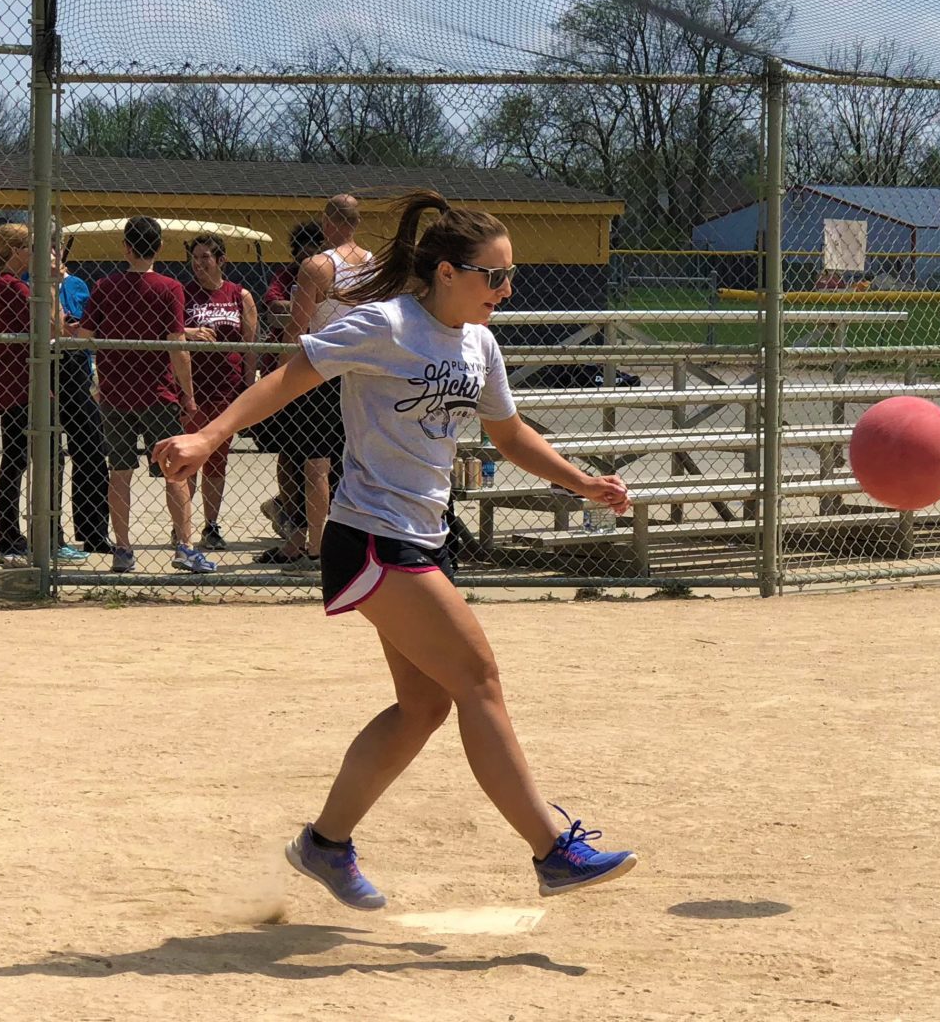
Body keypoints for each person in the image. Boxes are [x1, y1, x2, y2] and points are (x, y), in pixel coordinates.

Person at [155, 191, 637, 904]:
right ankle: (550, 849)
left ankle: (324, 844)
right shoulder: (385, 325)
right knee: (478, 678)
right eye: (493, 276)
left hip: (424, 538)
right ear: (446, 272)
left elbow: (509, 436)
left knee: (424, 708)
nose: (506, 290)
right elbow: (286, 380)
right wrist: (206, 436)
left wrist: (580, 482)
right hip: (372, 537)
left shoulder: (479, 342)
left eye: (510, 276)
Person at [72, 216, 216, 574]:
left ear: (126, 247)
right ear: (159, 247)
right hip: (158, 393)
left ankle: (123, 548)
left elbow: (85, 336)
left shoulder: (105, 286)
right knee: (175, 473)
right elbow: (177, 346)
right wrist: (189, 394)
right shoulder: (169, 288)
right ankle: (184, 546)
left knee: (119, 473)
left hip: (115, 394)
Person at [262, 196, 370, 569]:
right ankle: (324, 541)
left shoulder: (316, 266)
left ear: (328, 222)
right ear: (356, 222)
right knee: (352, 459)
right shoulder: (375, 265)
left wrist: (277, 376)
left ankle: (317, 545)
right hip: (363, 371)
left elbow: (297, 326)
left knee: (315, 464)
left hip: (322, 368)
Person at [24, 237, 110, 559]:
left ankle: (94, 531)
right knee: (50, 454)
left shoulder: (75, 285)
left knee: (91, 448)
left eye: (54, 246)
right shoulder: (28, 283)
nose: (51, 252)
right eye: (42, 246)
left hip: (74, 365)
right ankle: (50, 535)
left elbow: (85, 329)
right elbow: (50, 327)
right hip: (44, 367)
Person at [0, 223, 52, 567]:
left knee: (19, 459)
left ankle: (16, 532)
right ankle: (12, 534)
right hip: (20, 386)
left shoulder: (1, 286)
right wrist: (53, 285)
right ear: (17, 251)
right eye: (31, 248)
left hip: (14, 385)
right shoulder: (12, 288)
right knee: (20, 460)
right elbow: (46, 327)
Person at [253, 221, 328, 566]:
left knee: (321, 463)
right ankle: (295, 529)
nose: (309, 256)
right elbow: (276, 309)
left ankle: (316, 539)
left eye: (315, 249)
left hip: (323, 377)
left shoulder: (331, 273)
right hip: (286, 374)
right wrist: (307, 306)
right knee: (288, 454)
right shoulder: (286, 275)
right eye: (304, 250)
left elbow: (298, 314)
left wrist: (302, 307)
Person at [181, 233, 257, 550]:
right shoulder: (184, 293)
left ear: (221, 260)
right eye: (195, 258)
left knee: (217, 461)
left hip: (227, 389)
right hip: (194, 388)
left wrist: (249, 386)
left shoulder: (239, 295)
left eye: (205, 258)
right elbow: (168, 331)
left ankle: (211, 525)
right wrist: (190, 332)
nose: (199, 264)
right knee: (187, 458)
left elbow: (250, 344)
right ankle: (181, 524)